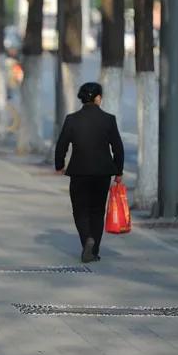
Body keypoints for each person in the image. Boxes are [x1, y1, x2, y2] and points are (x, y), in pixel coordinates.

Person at [54, 82, 124, 263]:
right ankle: (93, 250)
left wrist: (59, 165)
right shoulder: (109, 119)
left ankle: (87, 241)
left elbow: (61, 145)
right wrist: (119, 170)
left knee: (80, 210)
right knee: (97, 210)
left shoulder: (72, 119)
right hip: (102, 173)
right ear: (98, 98)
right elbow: (118, 147)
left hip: (79, 172)